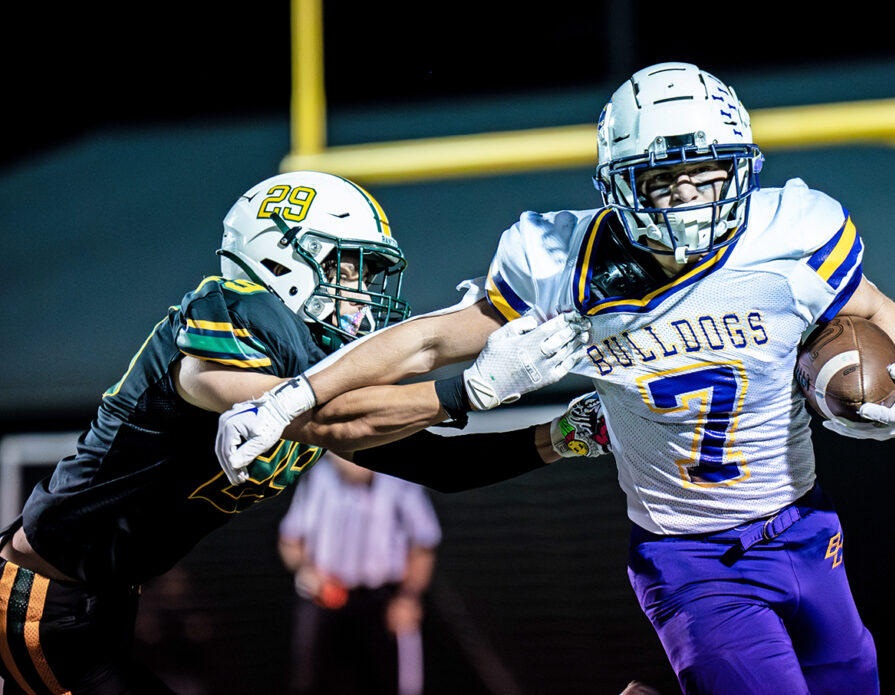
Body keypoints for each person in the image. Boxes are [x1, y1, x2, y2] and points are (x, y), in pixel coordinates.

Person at [217, 63, 895, 694]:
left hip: (807, 525)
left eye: (706, 173)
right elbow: (430, 339)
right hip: (692, 557)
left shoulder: (791, 234)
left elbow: (872, 305)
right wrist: (293, 396)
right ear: (621, 187)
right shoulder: (564, 264)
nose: (688, 197)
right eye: (663, 179)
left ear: (739, 167)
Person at [0, 170, 585, 694]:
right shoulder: (231, 320)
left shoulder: (313, 372)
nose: (362, 290)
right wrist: (467, 390)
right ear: (279, 260)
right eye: (346, 266)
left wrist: (567, 432)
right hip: (43, 595)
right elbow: (325, 418)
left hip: (101, 596)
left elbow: (441, 464)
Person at [278, 452, 441, 695]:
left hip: (383, 601)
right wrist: (306, 571)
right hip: (327, 600)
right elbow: (290, 540)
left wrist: (409, 597)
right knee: (313, 681)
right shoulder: (316, 477)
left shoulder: (400, 481)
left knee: (386, 682)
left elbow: (424, 544)